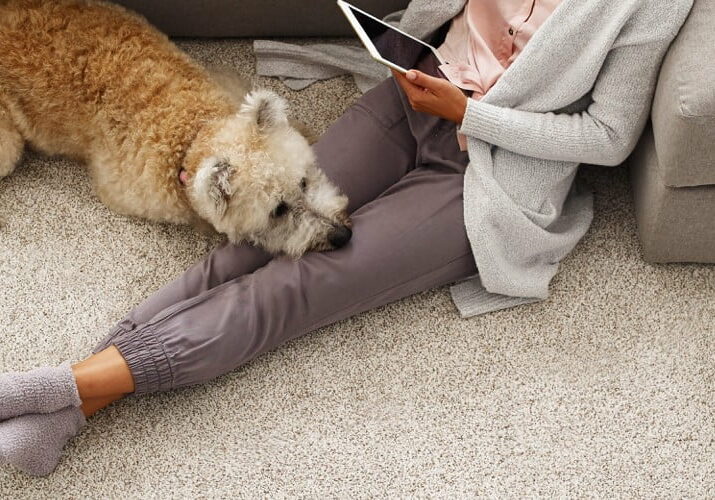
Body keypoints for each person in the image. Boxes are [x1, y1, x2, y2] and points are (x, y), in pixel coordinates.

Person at [0, 0, 692, 476]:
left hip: (485, 172)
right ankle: (70, 406)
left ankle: (65, 388)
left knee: (299, 285)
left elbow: (607, 136)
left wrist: (470, 115)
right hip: (409, 95)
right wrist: (408, 59)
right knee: (252, 245)